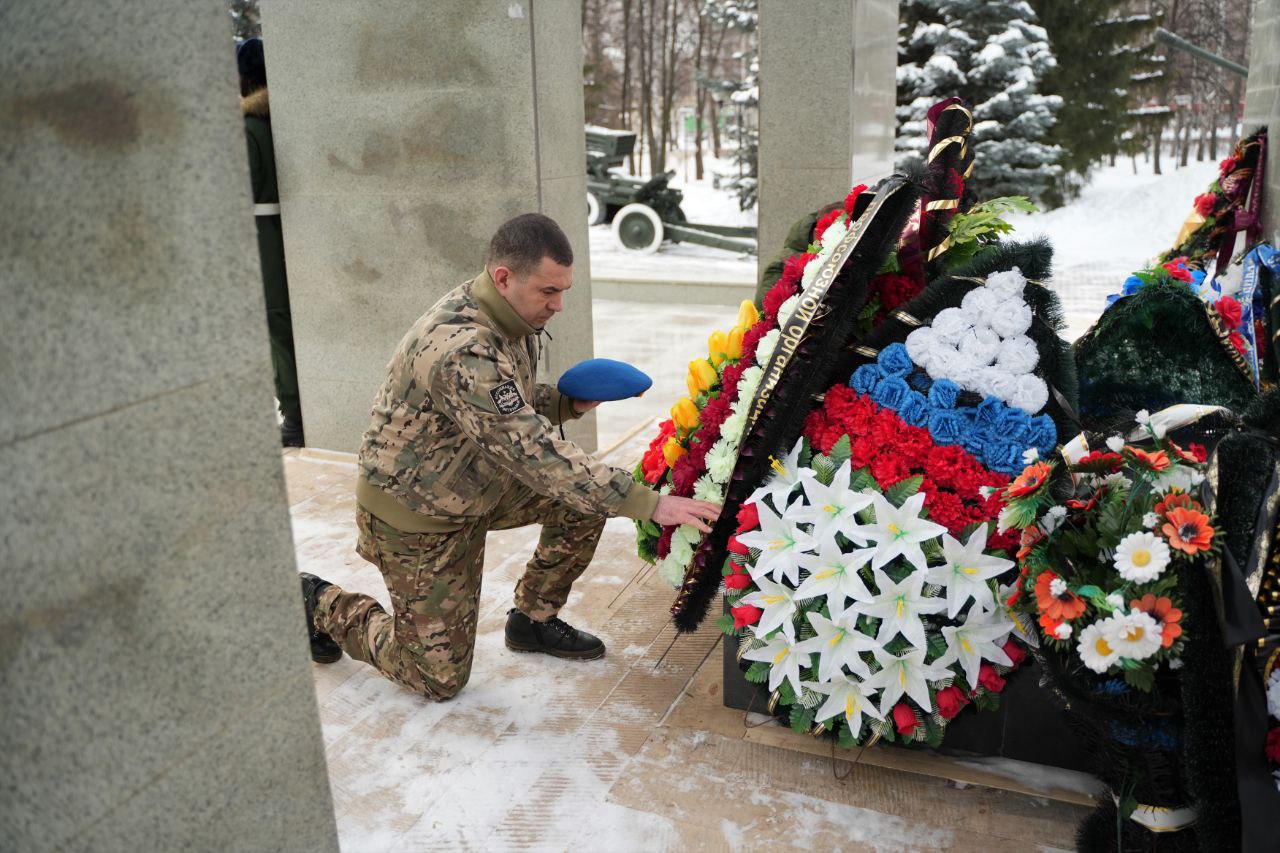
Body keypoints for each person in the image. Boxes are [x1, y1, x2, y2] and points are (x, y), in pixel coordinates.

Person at [299, 214, 721, 701]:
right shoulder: (462, 346)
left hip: (475, 484)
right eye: (548, 291)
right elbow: (533, 452)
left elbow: (503, 403)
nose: (558, 305)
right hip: (417, 518)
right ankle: (318, 602)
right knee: (436, 679)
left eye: (563, 290)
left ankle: (532, 620)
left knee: (584, 499)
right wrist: (650, 504)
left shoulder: (510, 316)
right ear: (504, 278)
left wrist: (565, 404)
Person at [237, 37, 304, 446]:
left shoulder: (248, 127)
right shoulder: (275, 120)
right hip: (283, 232)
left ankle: (295, 416)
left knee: (276, 325)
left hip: (264, 238)